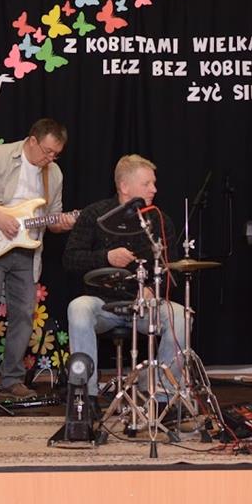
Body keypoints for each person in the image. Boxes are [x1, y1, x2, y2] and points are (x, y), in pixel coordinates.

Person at [0, 118, 75, 399]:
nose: (50, 158)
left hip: (26, 249)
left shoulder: (54, 174)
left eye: (56, 154)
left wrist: (63, 223)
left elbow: (53, 218)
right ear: (32, 141)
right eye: (47, 151)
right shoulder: (0, 156)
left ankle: (12, 379)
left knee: (23, 315)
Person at [63, 154, 186, 406]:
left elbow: (172, 269)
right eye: (147, 184)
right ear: (124, 186)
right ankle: (86, 397)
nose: (154, 189)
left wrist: (152, 288)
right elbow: (70, 259)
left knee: (181, 316)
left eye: (154, 183)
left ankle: (163, 396)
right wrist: (106, 256)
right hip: (103, 304)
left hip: (144, 306)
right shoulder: (94, 214)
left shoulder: (159, 220)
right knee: (78, 307)